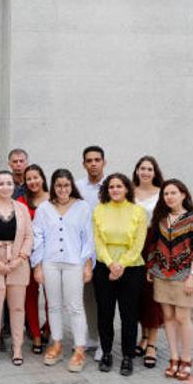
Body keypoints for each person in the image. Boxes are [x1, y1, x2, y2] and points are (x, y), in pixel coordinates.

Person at [30, 169, 95, 373]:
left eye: (66, 185)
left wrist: (87, 263)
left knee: (75, 306)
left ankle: (79, 348)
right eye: (58, 185)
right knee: (54, 306)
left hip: (74, 262)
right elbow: (38, 236)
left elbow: (88, 237)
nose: (62, 189)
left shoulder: (82, 207)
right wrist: (37, 265)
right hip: (50, 262)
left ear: (71, 186)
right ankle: (56, 344)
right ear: (53, 186)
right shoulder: (44, 208)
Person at [146, 179, 193, 381]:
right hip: (162, 275)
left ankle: (186, 360)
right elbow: (154, 247)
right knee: (168, 318)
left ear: (183, 195)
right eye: (165, 194)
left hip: (184, 275)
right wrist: (151, 269)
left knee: (182, 317)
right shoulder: (161, 219)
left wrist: (192, 276)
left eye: (173, 193)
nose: (169, 197)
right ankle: (174, 357)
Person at [92, 173, 147, 376]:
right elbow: (98, 242)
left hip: (132, 268)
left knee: (129, 315)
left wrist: (121, 265)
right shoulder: (99, 210)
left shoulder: (138, 212)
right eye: (111, 186)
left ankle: (127, 357)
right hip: (104, 266)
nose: (115, 190)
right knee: (105, 313)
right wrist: (110, 263)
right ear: (107, 190)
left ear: (127, 189)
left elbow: (138, 244)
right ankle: (106, 353)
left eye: (119, 186)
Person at [0, 171, 33, 368]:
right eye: (1, 183)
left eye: (9, 183)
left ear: (14, 186)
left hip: (18, 263)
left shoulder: (22, 209)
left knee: (17, 308)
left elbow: (29, 236)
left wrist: (20, 258)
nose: (5, 186)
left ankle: (17, 347)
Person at [132, 156, 164, 368]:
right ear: (136, 171)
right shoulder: (129, 191)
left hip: (154, 243)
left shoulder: (162, 193)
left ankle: (152, 343)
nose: (145, 172)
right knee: (136, 295)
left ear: (155, 172)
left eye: (149, 169)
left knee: (153, 296)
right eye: (142, 168)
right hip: (133, 244)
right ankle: (142, 337)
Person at [17, 164, 51, 355]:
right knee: (30, 297)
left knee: (51, 297)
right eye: (28, 179)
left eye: (35, 177)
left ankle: (49, 330)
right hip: (27, 256)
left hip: (50, 256)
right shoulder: (21, 202)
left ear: (42, 178)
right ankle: (36, 335)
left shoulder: (52, 200)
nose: (32, 182)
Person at [76, 145, 106, 361]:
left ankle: (105, 342)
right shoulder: (78, 187)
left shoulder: (113, 185)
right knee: (87, 298)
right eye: (89, 160)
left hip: (107, 252)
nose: (93, 163)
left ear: (104, 162)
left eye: (97, 159)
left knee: (105, 299)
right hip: (84, 252)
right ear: (84, 164)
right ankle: (93, 338)